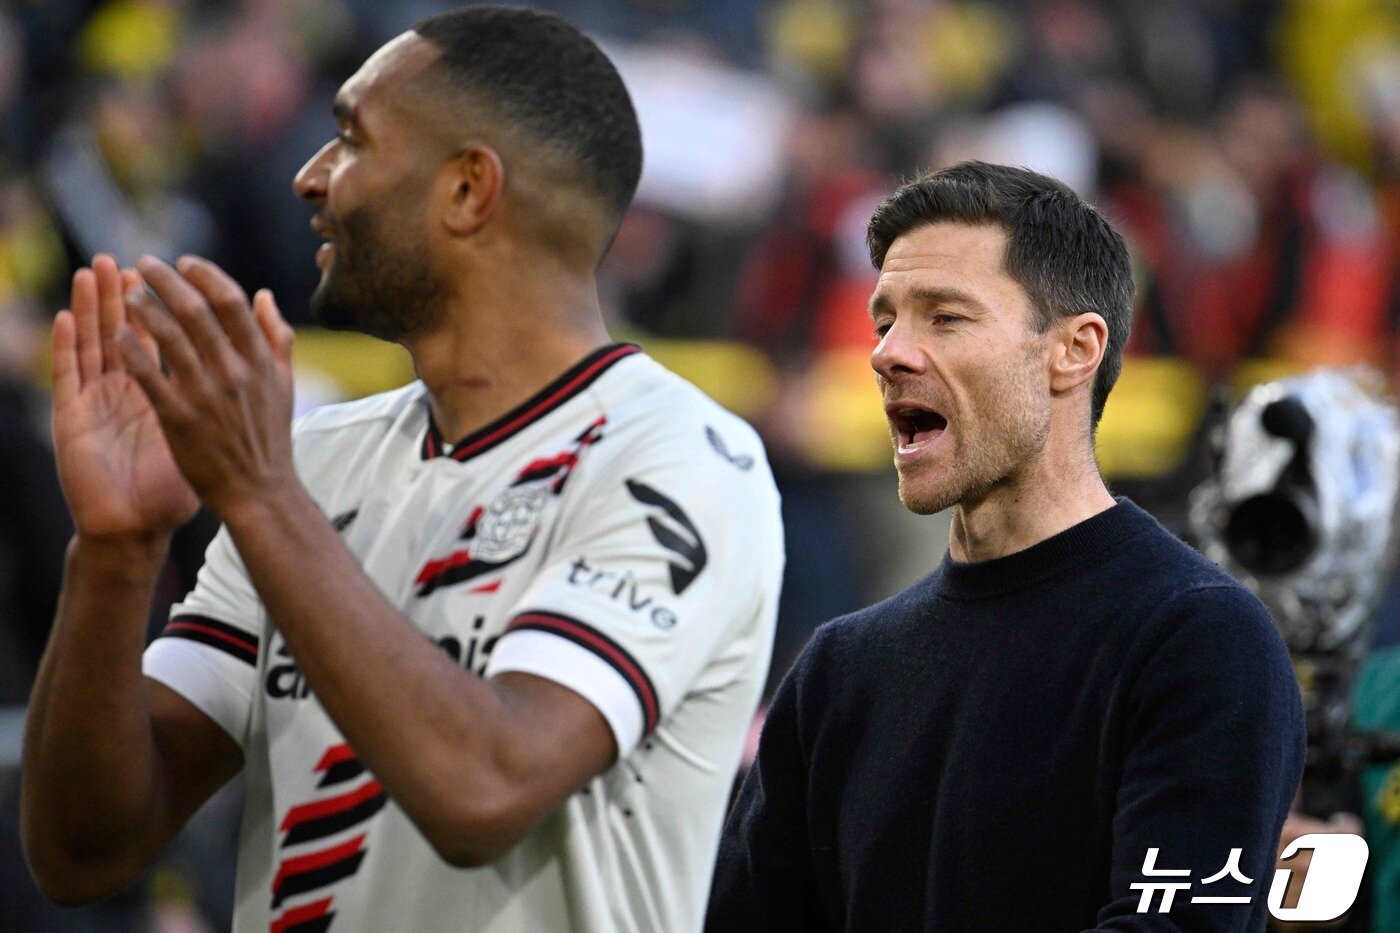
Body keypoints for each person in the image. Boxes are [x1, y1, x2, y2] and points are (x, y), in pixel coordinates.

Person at [21, 8, 784, 932]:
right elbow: (82, 850)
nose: (309, 176)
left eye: (349, 139)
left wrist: (259, 496)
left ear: (468, 188)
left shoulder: (678, 457)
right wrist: (116, 549)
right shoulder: (314, 462)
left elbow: (484, 789)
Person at [707, 161, 1306, 930]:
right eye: (885, 320)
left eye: (945, 316)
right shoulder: (836, 674)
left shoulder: (1199, 640)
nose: (887, 353)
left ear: (1074, 350)